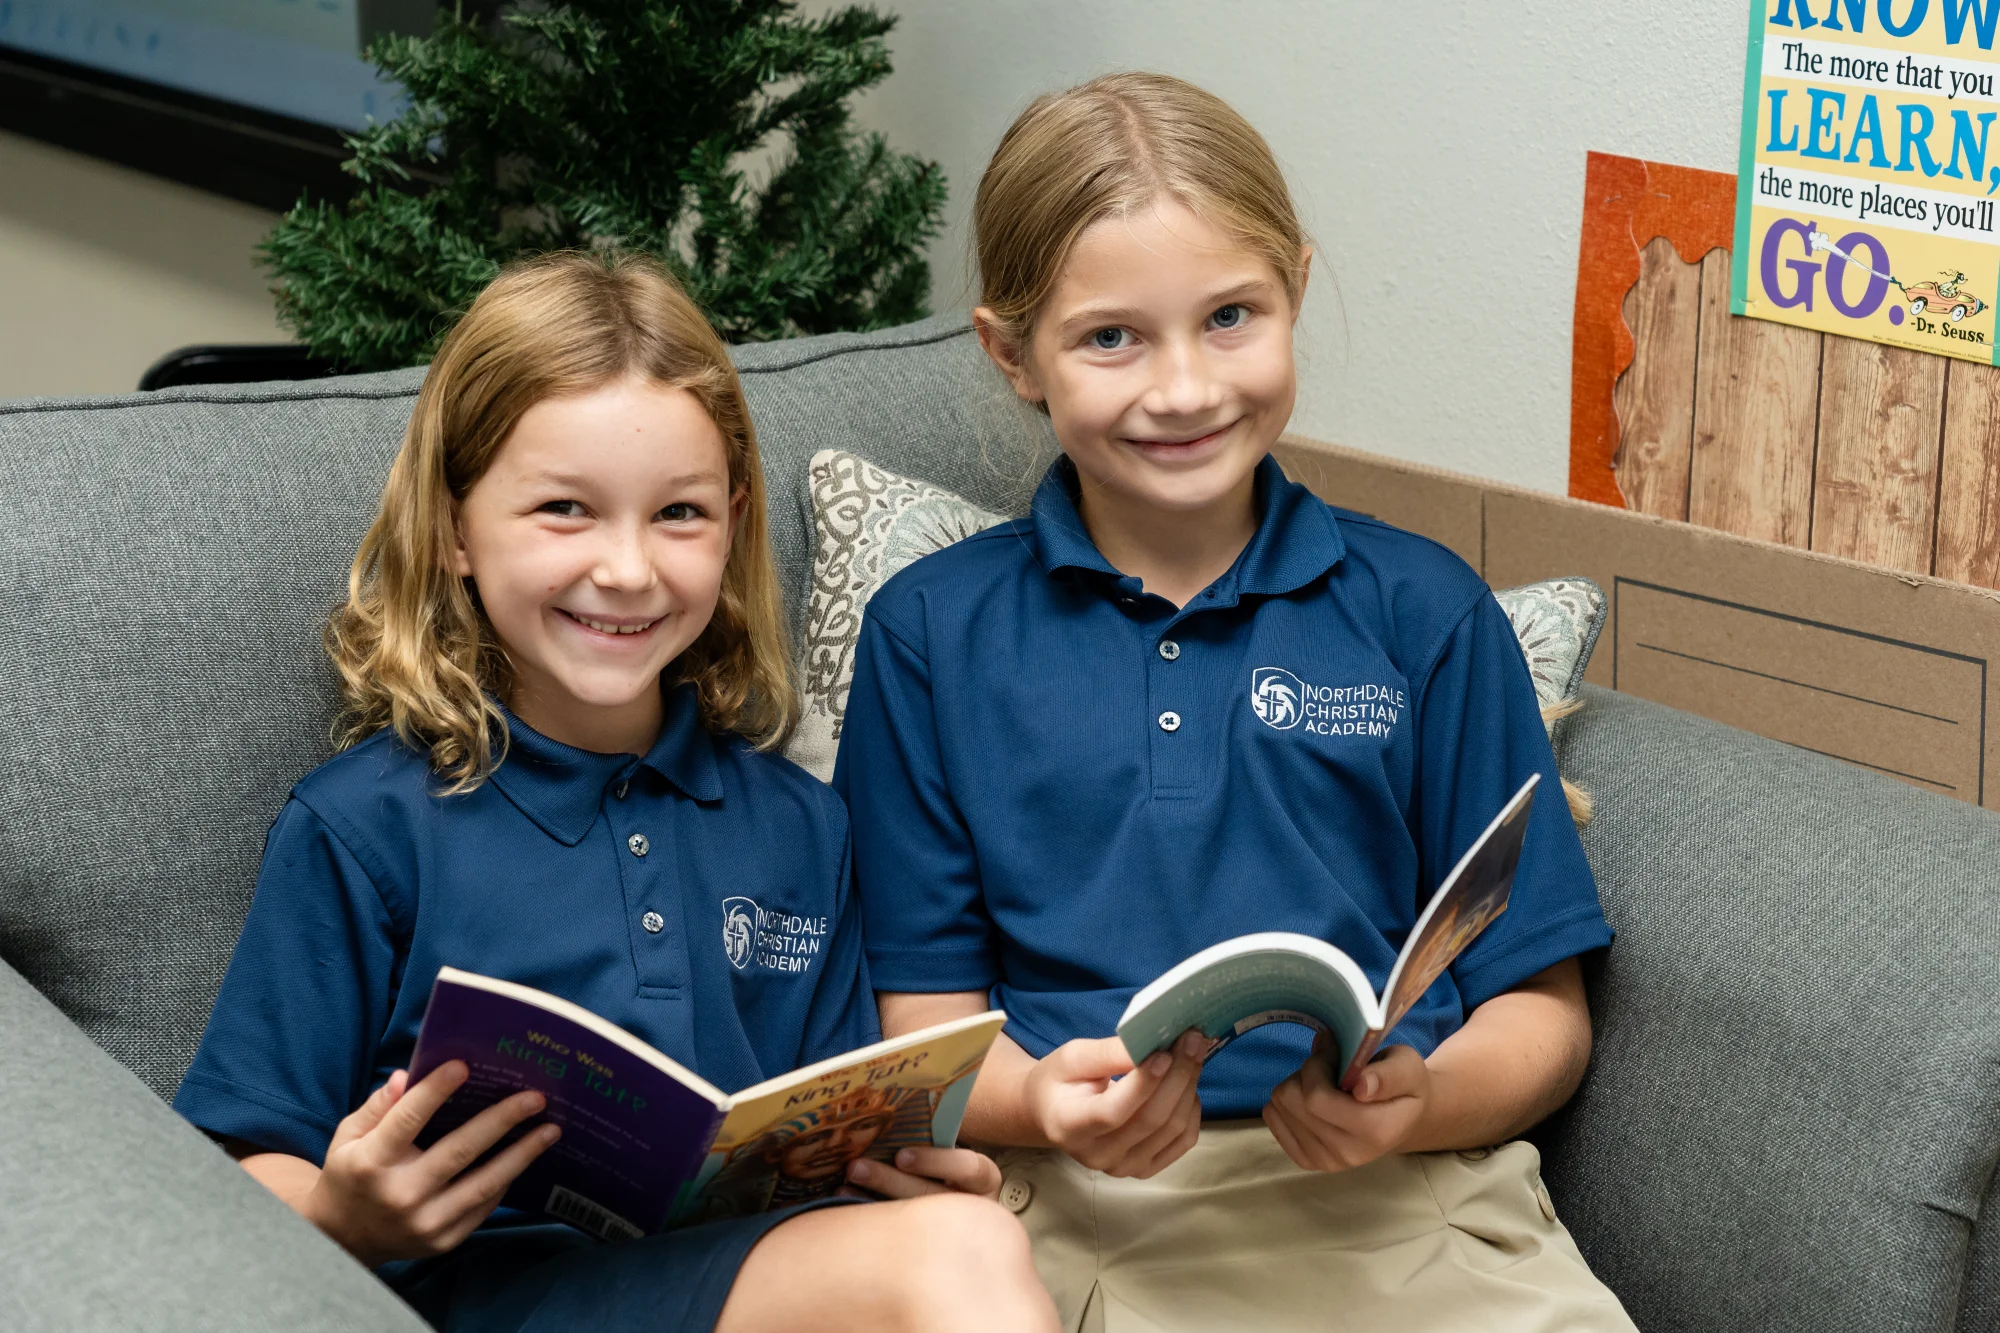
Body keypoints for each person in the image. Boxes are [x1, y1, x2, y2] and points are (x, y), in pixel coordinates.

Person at [833, 73, 1638, 1331]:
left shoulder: (1424, 609)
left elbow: (1542, 1013)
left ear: (1293, 293)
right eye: (1110, 338)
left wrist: (1419, 1103)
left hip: (1403, 1203)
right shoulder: (929, 633)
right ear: (1010, 355)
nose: (1183, 388)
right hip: (1070, 1210)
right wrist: (1039, 1102)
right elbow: (919, 1026)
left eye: (1227, 317)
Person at [171, 253, 1058, 1333]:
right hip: (474, 1299)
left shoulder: (799, 824)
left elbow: (833, 1129)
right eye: (565, 510)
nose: (629, 569)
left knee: (961, 1233)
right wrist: (345, 1214)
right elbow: (236, 1164)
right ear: (453, 528)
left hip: (744, 1287)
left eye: (679, 513)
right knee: (962, 1254)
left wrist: (902, 1183)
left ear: (733, 523)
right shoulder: (364, 827)